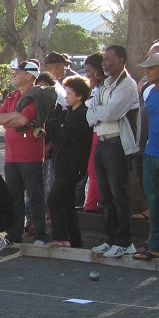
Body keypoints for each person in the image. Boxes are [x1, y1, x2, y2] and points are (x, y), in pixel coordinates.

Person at [87, 45, 140, 258]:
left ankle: (125, 241)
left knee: (119, 195)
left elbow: (110, 113)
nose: (105, 63)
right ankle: (110, 239)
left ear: (121, 60)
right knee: (106, 196)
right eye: (103, 60)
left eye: (108, 59)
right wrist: (98, 112)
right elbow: (90, 116)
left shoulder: (127, 84)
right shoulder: (105, 84)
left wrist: (97, 111)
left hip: (117, 144)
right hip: (101, 141)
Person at [0, 59, 48, 255]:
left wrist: (12, 119)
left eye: (17, 72)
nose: (14, 75)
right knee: (14, 196)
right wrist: (13, 119)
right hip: (11, 156)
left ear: (29, 75)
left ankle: (41, 234)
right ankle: (14, 233)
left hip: (30, 155)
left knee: (35, 196)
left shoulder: (34, 96)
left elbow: (24, 119)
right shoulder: (12, 96)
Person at [46, 76, 93, 248]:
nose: (65, 96)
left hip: (73, 167)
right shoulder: (67, 113)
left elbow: (62, 136)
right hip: (62, 165)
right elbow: (54, 130)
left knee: (54, 199)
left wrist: (58, 128)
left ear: (79, 96)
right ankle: (75, 241)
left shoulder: (83, 114)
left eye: (69, 93)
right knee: (66, 202)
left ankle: (61, 237)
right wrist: (57, 127)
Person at [136, 53, 159, 260]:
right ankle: (154, 245)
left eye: (151, 68)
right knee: (154, 202)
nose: (147, 71)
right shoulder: (149, 91)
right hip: (151, 153)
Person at [81, 52, 106, 213]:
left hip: (101, 133)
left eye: (89, 70)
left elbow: (99, 113)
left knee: (94, 170)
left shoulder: (104, 89)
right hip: (96, 131)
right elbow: (90, 114)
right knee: (92, 170)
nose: (87, 75)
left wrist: (93, 112)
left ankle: (91, 204)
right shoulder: (97, 89)